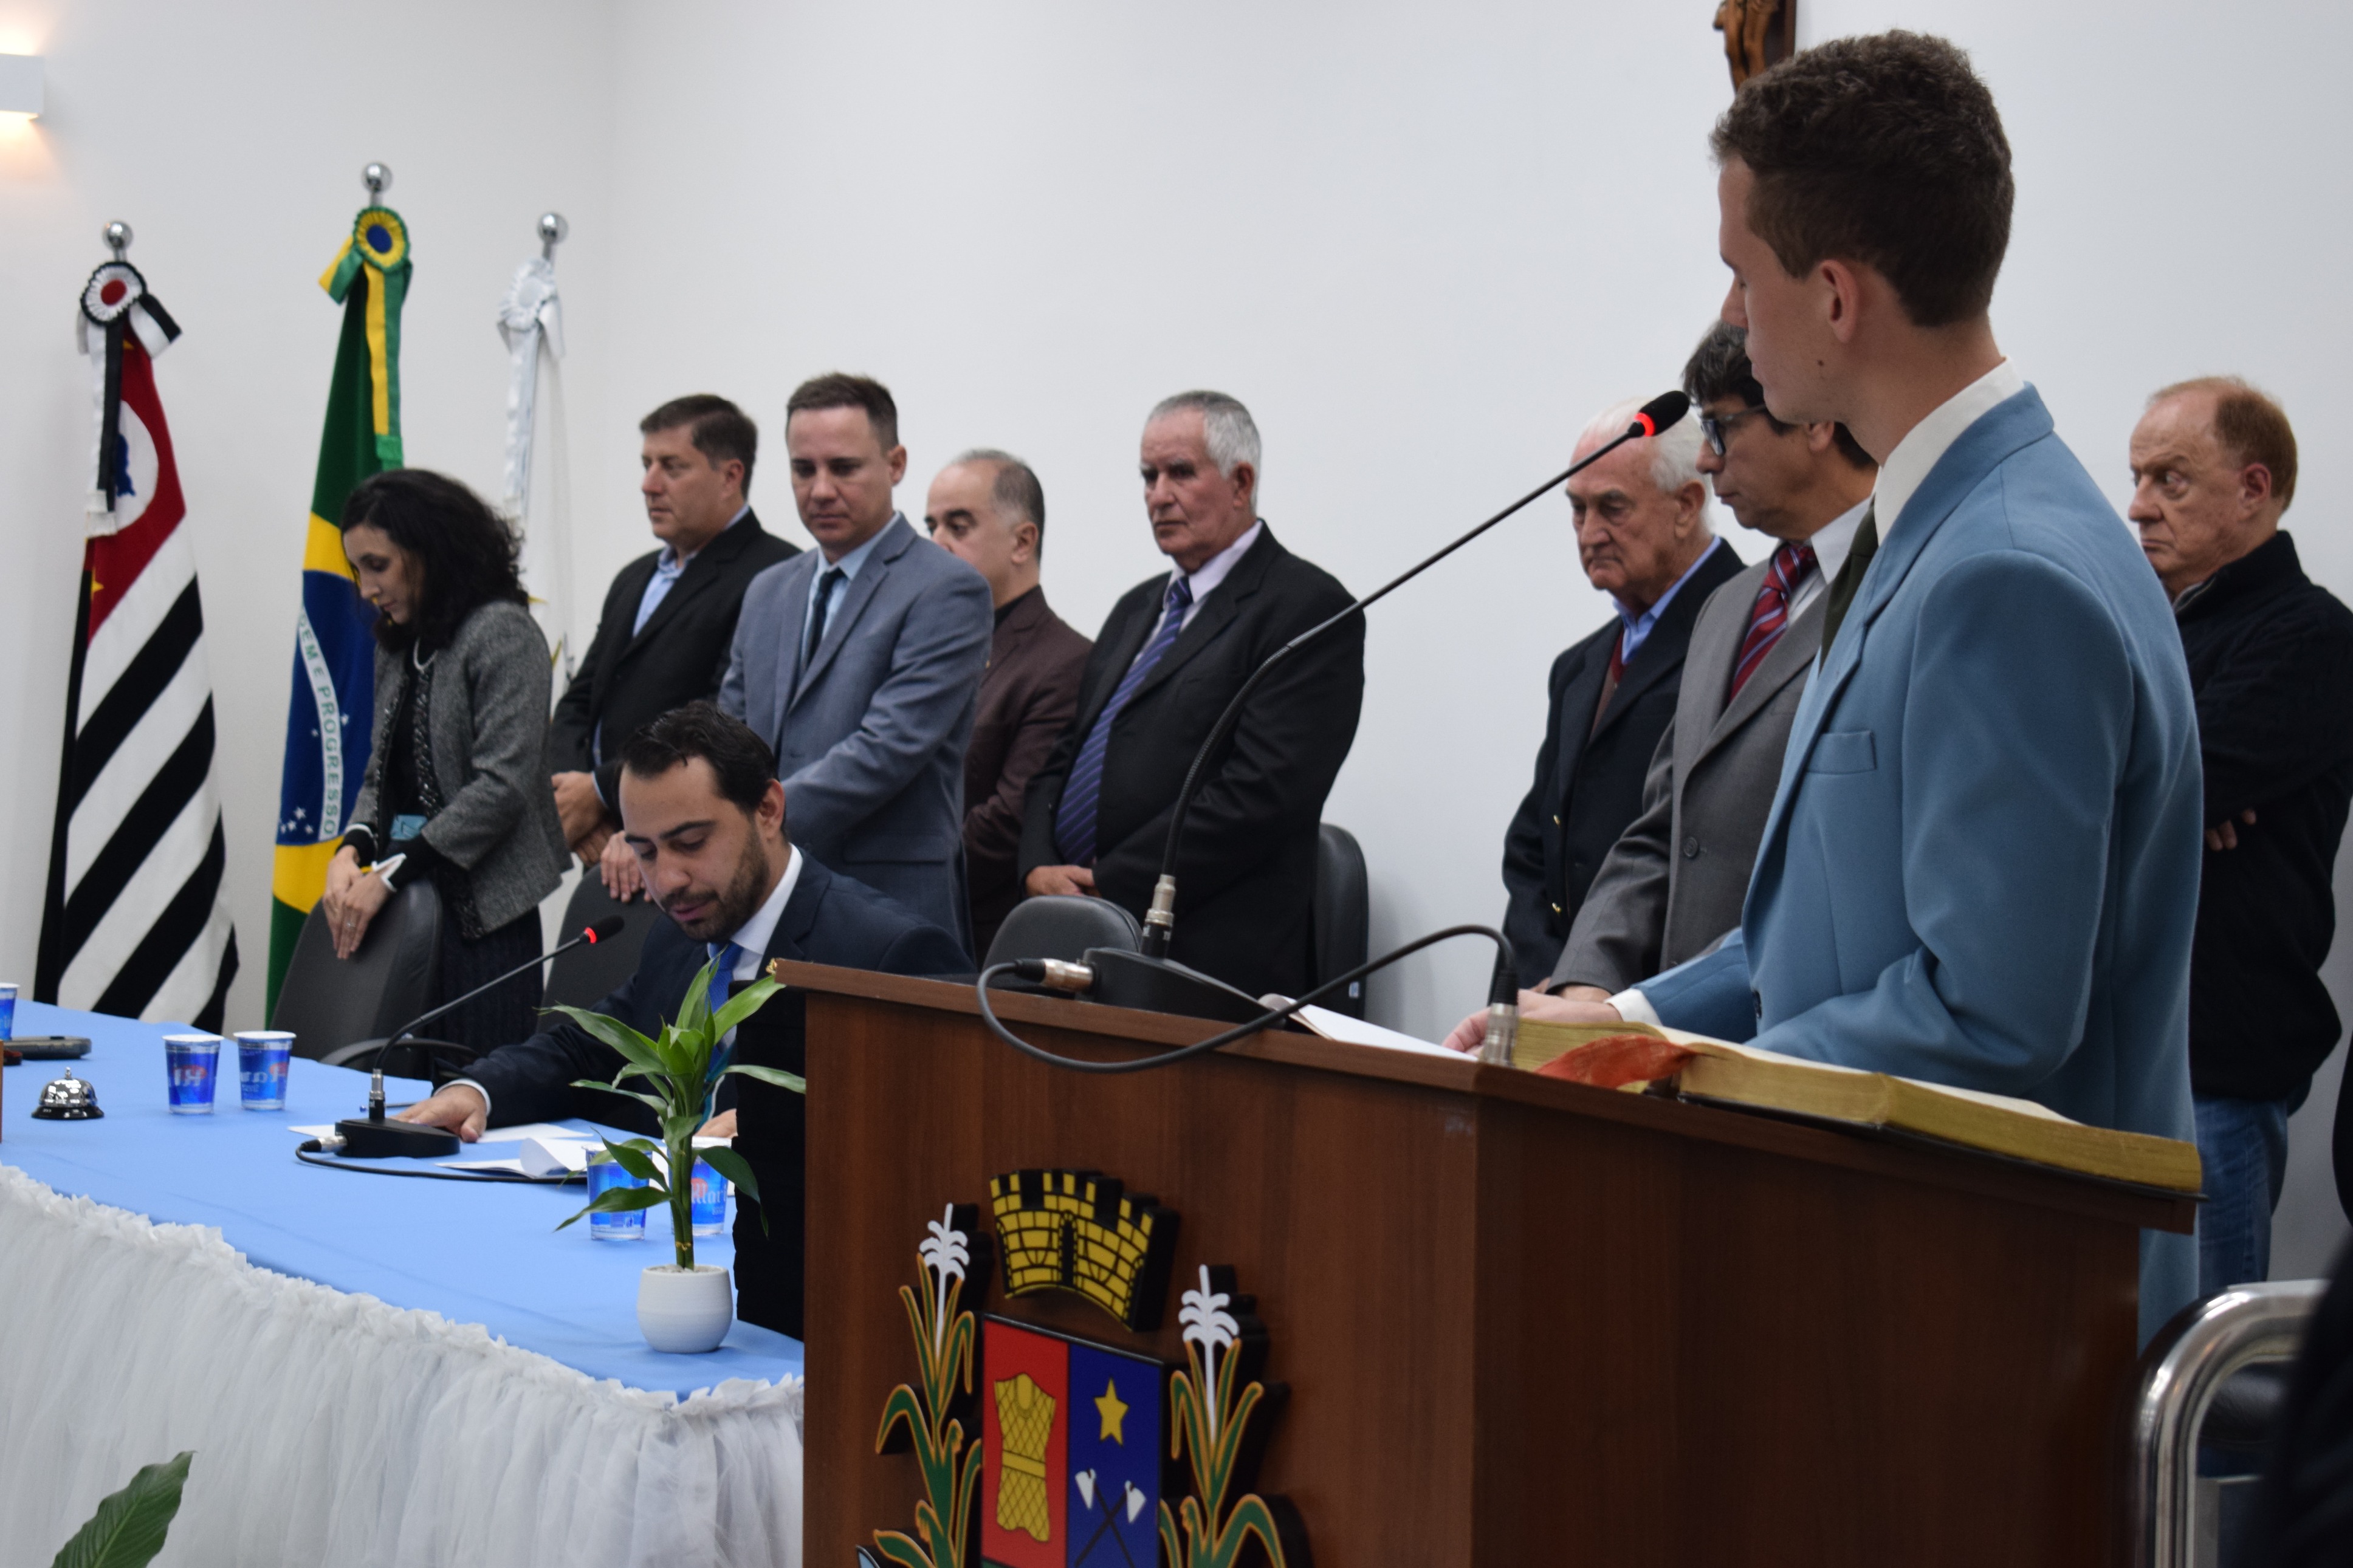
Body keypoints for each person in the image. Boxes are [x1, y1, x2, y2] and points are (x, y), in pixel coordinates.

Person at [1451, 32, 2204, 1340]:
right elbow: (1835, 929)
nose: (1734, 316)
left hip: (2002, 1307)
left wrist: (1678, 1070)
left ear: (1836, 298)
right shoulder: (1937, 529)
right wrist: (1620, 1015)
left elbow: (1987, 1013)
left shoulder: (2004, 570)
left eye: (1743, 277)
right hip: (1907, 1273)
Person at [395, 701, 966, 1141]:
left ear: (768, 810)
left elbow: (941, 1114)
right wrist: (478, 1090)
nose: (666, 880)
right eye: (644, 851)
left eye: (690, 843)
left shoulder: (887, 951)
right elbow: (591, 1050)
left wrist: (793, 1127)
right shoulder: (678, 936)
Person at [1550, 323, 1875, 997]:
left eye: (1722, 429)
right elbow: (1664, 831)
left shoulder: (1899, 591)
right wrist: (1585, 980)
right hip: (1670, 1030)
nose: (1704, 458)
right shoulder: (1728, 606)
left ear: (1814, 421)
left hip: (1805, 1031)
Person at [1017, 391, 1362, 1001]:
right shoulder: (1136, 607)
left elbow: (1259, 796)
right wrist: (1037, 864)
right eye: (1148, 476)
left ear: (1240, 482)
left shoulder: (1307, 607)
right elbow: (1066, 756)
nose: (1158, 494)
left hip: (1204, 959)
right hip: (1079, 936)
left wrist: (1108, 883)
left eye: (1179, 472)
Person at [2127, 377, 2353, 1295]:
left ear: (2253, 489)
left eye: (2170, 480)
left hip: (2214, 1068)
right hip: (2121, 1048)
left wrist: (2171, 790)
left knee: (2199, 1361)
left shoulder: (2313, 635)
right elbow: (2074, 778)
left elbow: (2190, 782)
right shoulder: (2139, 629)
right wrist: (2169, 795)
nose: (2138, 506)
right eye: (2138, 477)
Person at [719, 374, 994, 954]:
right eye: (803, 469)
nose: (820, 490)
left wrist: (749, 823)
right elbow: (730, 735)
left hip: (888, 908)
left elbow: (886, 749)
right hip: (765, 900)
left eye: (843, 468)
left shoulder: (948, 588)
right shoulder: (768, 590)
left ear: (896, 464)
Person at [1497, 395, 1742, 984]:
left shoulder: (1748, 635)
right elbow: (1533, 847)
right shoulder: (1579, 667)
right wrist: (1548, 979)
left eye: (1612, 507)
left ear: (1686, 505)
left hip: (1659, 995)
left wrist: (1595, 987)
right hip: (1556, 992)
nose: (1590, 533)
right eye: (1577, 509)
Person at [321, 470, 569, 1048]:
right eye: (358, 569)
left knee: (470, 1079)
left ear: (431, 549)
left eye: (378, 565)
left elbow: (502, 787)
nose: (366, 588)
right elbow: (380, 775)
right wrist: (350, 851)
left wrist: (392, 871)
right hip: (402, 905)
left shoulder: (504, 633)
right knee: (386, 1075)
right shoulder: (397, 643)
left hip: (482, 921)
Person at [548, 395, 798, 902]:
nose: (649, 483)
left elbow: (725, 717)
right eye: (646, 464)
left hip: (694, 850)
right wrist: (577, 798)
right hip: (612, 845)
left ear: (730, 476)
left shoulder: (775, 574)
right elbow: (581, 700)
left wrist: (602, 791)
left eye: (672, 466)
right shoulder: (635, 576)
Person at [922, 449, 1091, 960]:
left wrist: (901, 865)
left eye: (959, 526)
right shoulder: (924, 648)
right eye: (931, 526)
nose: (936, 543)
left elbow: (1010, 818)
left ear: (1022, 541)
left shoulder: (1065, 660)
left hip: (981, 940)